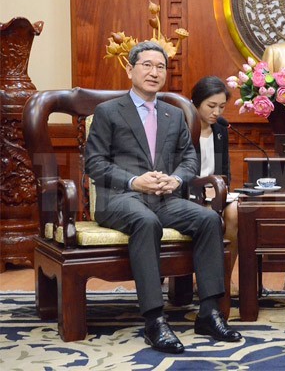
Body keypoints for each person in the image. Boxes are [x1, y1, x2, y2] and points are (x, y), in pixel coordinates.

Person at [85, 41, 242, 354]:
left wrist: (176, 179)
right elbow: (94, 162)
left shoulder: (173, 114)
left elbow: (189, 160)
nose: (154, 72)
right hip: (120, 198)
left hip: (165, 198)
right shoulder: (108, 112)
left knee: (209, 218)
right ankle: (154, 319)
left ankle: (209, 312)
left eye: (160, 67)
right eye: (146, 65)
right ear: (130, 69)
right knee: (146, 221)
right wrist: (134, 180)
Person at [190, 76, 238, 275]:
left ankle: (225, 277)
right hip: (190, 194)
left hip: (216, 191)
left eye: (221, 107)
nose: (216, 112)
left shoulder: (220, 129)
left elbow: (224, 170)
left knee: (236, 212)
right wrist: (203, 189)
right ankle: (203, 277)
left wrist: (220, 188)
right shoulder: (183, 128)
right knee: (209, 216)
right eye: (211, 106)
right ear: (195, 103)